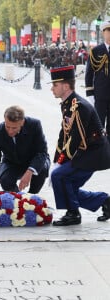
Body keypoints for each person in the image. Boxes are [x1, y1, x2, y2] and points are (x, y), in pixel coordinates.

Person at [50, 65, 110, 226]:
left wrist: (60, 163)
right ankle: (105, 201)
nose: (51, 89)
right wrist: (56, 159)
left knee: (59, 176)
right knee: (69, 187)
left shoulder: (79, 106)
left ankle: (73, 214)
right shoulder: (68, 104)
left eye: (55, 85)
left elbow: (76, 138)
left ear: (65, 85)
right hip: (85, 152)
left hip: (94, 154)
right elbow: (64, 133)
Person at [0, 105, 50, 194]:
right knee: (5, 180)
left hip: (34, 159)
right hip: (11, 162)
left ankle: (32, 196)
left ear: (22, 122)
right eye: (7, 127)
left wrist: (30, 171)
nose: (10, 131)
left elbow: (42, 152)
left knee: (41, 169)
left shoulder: (34, 125)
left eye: (14, 128)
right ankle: (18, 199)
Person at [85, 20, 110, 142]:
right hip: (100, 94)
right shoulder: (96, 51)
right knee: (98, 125)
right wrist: (90, 93)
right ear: (103, 33)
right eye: (108, 31)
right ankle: (100, 152)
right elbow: (89, 73)